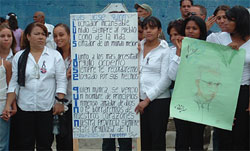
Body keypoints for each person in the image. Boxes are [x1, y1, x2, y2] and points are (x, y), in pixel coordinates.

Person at [2, 22, 67, 150]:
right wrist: (8, 105)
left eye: (44, 34)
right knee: (25, 145)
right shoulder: (19, 57)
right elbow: (14, 83)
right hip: (24, 108)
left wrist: (60, 101)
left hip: (46, 108)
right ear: (28, 36)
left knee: (45, 144)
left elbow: (61, 80)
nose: (41, 37)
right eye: (37, 34)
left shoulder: (54, 56)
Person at [206, 6, 250, 150]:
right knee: (224, 134)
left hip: (245, 93)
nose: (224, 22)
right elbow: (206, 64)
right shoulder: (217, 38)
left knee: (243, 135)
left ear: (240, 22)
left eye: (229, 20)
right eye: (223, 18)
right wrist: (227, 53)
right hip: (222, 92)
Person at [168, 15, 207, 150]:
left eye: (194, 28)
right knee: (182, 138)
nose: (190, 31)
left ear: (201, 31)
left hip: (199, 101)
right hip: (182, 100)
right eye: (188, 28)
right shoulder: (175, 50)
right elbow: (172, 76)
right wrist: (179, 51)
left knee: (197, 138)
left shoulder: (209, 50)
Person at [134, 16, 172, 150]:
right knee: (143, 139)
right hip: (139, 100)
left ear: (159, 30)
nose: (148, 31)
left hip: (158, 101)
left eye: (152, 28)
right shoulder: (137, 47)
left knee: (157, 139)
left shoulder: (165, 50)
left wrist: (147, 99)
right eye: (145, 28)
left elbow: (166, 80)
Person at [53, 23, 73, 151]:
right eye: (55, 36)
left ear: (69, 35)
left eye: (61, 35)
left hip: (74, 103)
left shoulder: (79, 55)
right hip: (57, 103)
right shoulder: (53, 56)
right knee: (60, 139)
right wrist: (64, 76)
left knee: (71, 140)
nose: (58, 38)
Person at [0, 23, 14, 151]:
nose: (6, 38)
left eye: (9, 36)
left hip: (8, 104)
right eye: (2, 36)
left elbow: (11, 85)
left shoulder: (17, 56)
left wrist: (11, 105)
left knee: (5, 142)